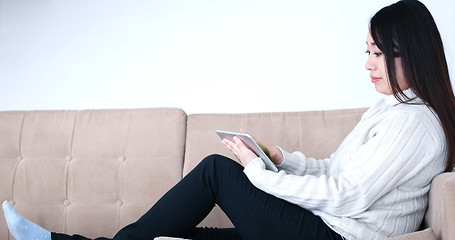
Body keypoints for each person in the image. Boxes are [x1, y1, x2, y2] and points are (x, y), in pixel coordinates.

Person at [3, 0, 455, 239]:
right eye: (368, 52)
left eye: (377, 53)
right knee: (189, 238)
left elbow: (344, 196)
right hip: (328, 227)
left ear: (407, 53)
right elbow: (336, 172)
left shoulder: (414, 125)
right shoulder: (394, 109)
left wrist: (257, 173)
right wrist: (282, 158)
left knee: (218, 172)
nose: (368, 64)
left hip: (336, 236)